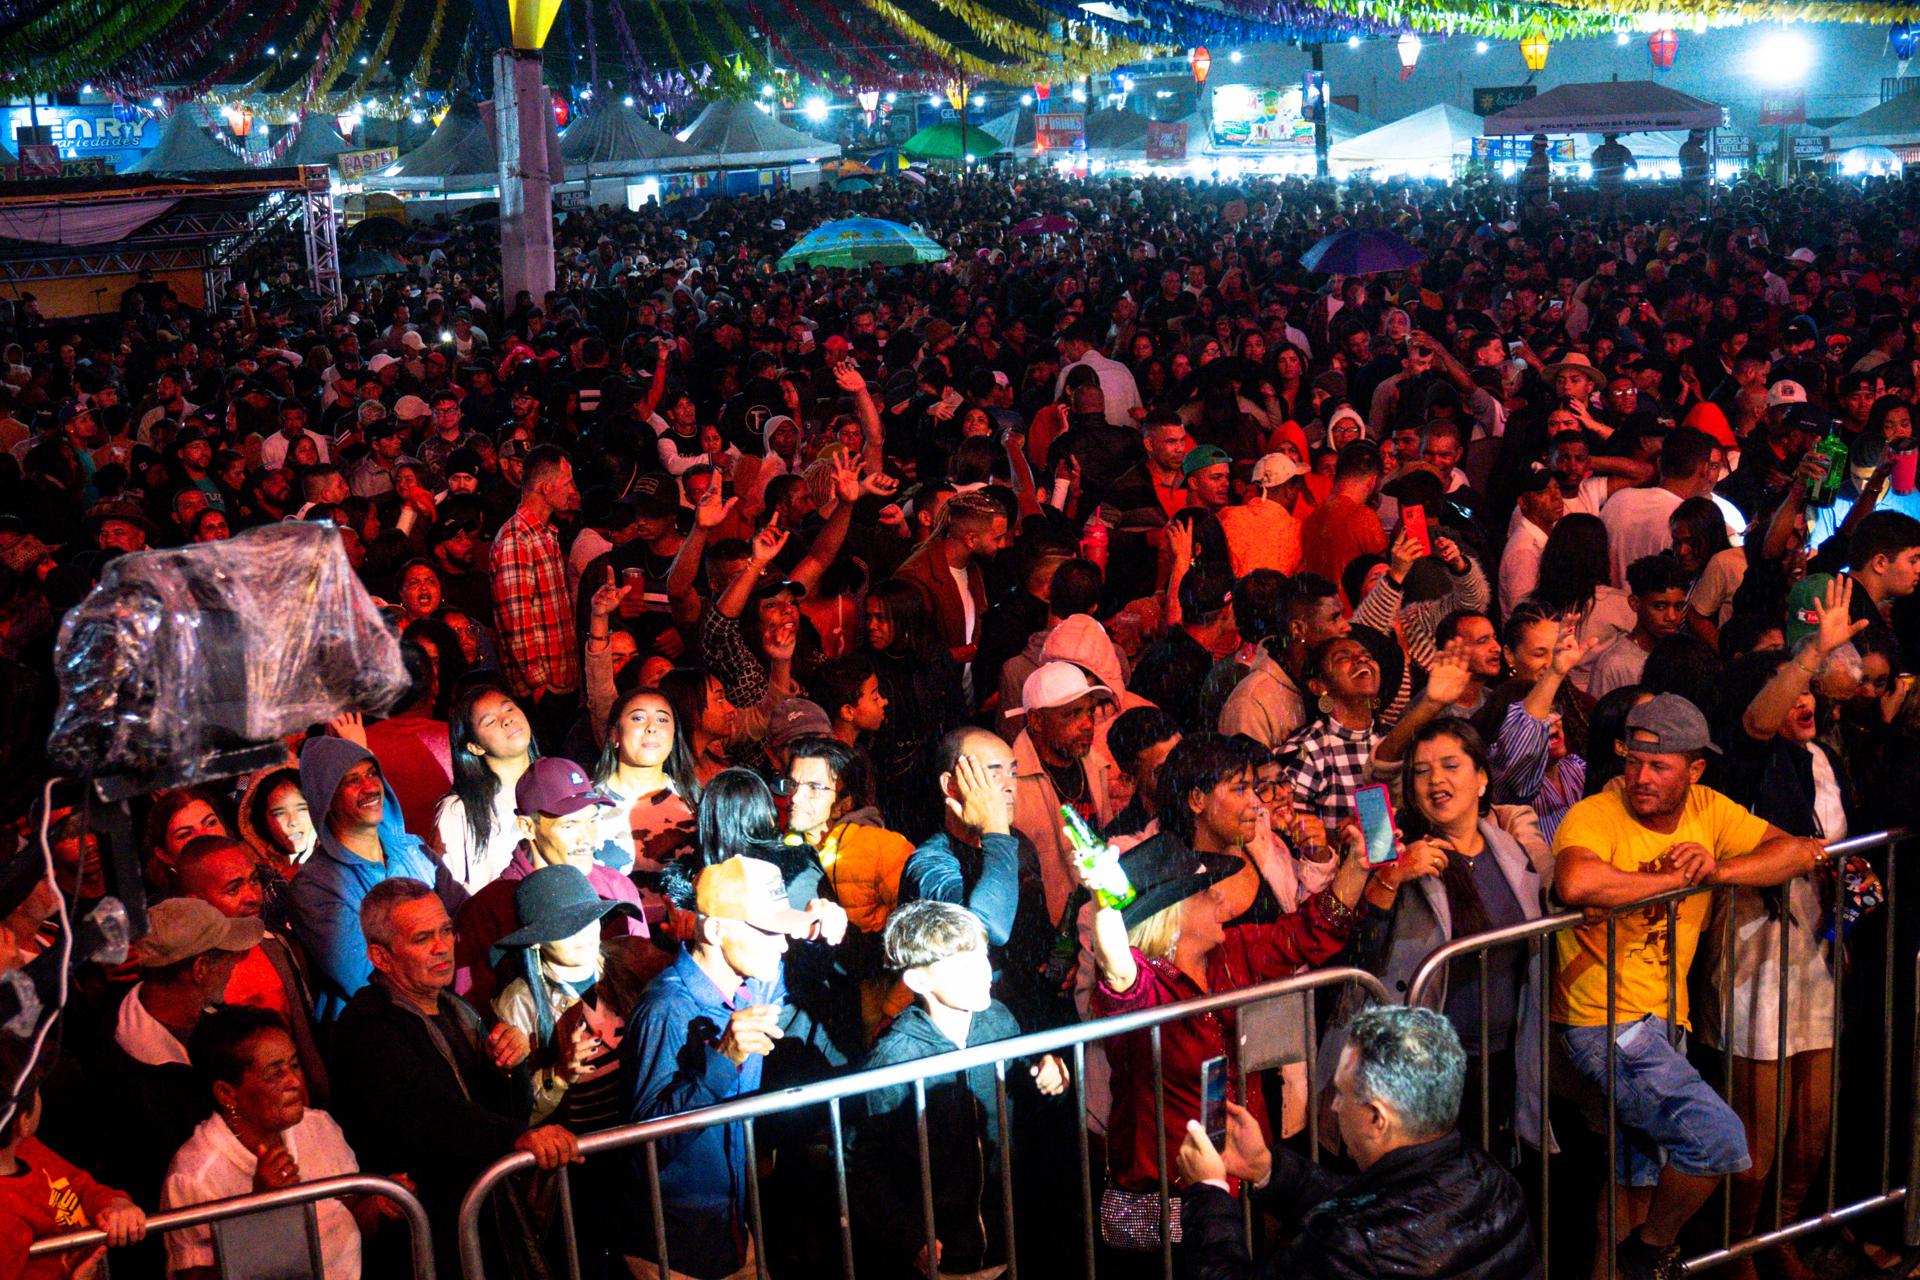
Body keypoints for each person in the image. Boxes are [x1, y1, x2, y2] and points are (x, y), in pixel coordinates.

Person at [1551, 694, 1825, 1279]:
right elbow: (1575, 882)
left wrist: (1717, 871)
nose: (1640, 777)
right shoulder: (1597, 813)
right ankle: (1651, 1251)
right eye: (1633, 761)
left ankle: (1628, 1257)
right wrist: (1677, 880)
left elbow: (1795, 852)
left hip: (1662, 1020)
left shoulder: (1708, 808)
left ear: (1694, 769)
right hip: (1604, 1021)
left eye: (1659, 766)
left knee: (1634, 1184)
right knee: (1718, 1140)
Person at [1079, 821, 1373, 1257]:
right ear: (1172, 916)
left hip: (1241, 1176)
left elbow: (1305, 935)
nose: (1219, 898)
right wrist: (1103, 903)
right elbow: (1119, 973)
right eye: (1204, 892)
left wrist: (1358, 867)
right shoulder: (1145, 986)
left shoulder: (1229, 952)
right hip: (1172, 1200)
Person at [328, 878, 581, 1276]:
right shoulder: (367, 1025)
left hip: (482, 1216)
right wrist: (515, 1137)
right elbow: (427, 1112)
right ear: (381, 957)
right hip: (425, 1234)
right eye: (422, 938)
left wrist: (512, 1066)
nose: (442, 947)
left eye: (446, 930)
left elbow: (508, 1108)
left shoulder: (457, 1009)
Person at [1176, 1006, 1537, 1280]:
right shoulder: (1495, 1182)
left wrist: (1208, 1191)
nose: (1334, 1105)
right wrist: (1267, 1169)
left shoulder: (1349, 1249)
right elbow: (1373, 1203)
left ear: (1377, 1118)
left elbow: (1366, 1223)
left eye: (1342, 1093)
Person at [845, 901, 1068, 1280]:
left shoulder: (999, 1020)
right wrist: (910, 1236)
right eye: (963, 965)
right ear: (918, 981)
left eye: (983, 956)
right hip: (944, 1257)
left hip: (1010, 1241)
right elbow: (863, 1162)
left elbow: (1028, 1105)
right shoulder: (895, 1058)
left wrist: (1052, 1078)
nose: (985, 972)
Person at [621, 856, 812, 1280]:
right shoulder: (667, 1009)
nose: (783, 945)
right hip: (674, 1249)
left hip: (731, 1229)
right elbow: (644, 1145)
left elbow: (788, 973)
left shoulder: (750, 986)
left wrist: (816, 927)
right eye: (769, 932)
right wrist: (722, 1059)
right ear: (715, 931)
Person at [162, 1006, 409, 1280]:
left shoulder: (317, 1127)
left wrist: (380, 1204)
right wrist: (261, 1209)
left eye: (294, 1065)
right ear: (227, 1093)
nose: (294, 1082)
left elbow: (348, 1215)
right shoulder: (193, 1177)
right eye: (274, 1074)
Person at [455, 757, 647, 1005]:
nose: (587, 838)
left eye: (592, 820)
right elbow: (472, 1011)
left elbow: (645, 982)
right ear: (527, 827)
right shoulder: (486, 910)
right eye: (569, 825)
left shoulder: (617, 888)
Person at [289, 736, 453, 1019]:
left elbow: (467, 918)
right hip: (383, 1028)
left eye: (371, 773)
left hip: (447, 1011)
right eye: (352, 780)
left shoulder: (414, 850)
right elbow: (366, 976)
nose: (370, 787)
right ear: (327, 799)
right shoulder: (315, 886)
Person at [0, 1042, 148, 1280]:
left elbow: (78, 1184)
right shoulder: (5, 1219)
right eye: (37, 1091)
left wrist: (114, 1204)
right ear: (22, 1122)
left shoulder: (27, 1149)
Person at [1009, 660, 1115, 925]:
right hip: (1047, 931)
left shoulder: (1094, 766)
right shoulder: (1009, 783)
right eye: (1073, 714)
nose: (1087, 724)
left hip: (1099, 917)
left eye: (1090, 711)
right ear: (1036, 720)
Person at [491, 444, 583, 747]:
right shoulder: (516, 539)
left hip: (559, 682)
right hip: (543, 691)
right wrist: (539, 685)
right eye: (567, 482)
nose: (572, 490)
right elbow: (517, 621)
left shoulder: (543, 533)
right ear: (545, 488)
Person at [432, 685, 541, 894]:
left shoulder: (558, 779)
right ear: (475, 747)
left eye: (509, 709)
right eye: (490, 721)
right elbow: (447, 893)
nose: (507, 720)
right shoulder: (459, 810)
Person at [1585, 554, 1692, 698]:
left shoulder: (1685, 655)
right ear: (1635, 603)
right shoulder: (1614, 665)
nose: (1672, 617)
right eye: (1660, 606)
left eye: (1678, 607)